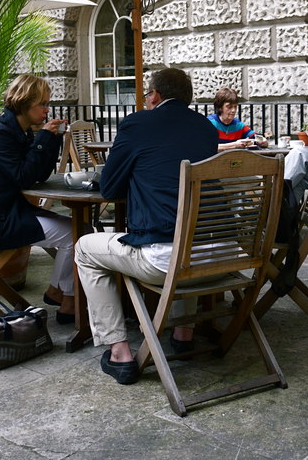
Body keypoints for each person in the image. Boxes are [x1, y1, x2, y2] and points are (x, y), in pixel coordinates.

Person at [75, 68, 219, 385]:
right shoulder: (207, 128)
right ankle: (184, 333)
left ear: (153, 95)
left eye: (147, 94)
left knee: (85, 248)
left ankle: (120, 353)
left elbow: (110, 188)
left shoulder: (138, 123)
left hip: (165, 259)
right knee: (186, 230)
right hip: (220, 254)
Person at [0, 74, 77, 324]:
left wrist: (52, 138)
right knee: (76, 234)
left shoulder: (18, 130)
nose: (47, 110)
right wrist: (44, 138)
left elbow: (39, 174)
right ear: (25, 102)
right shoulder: (1, 133)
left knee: (81, 229)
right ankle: (64, 297)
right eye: (43, 104)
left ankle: (62, 294)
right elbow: (24, 177)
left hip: (8, 211)